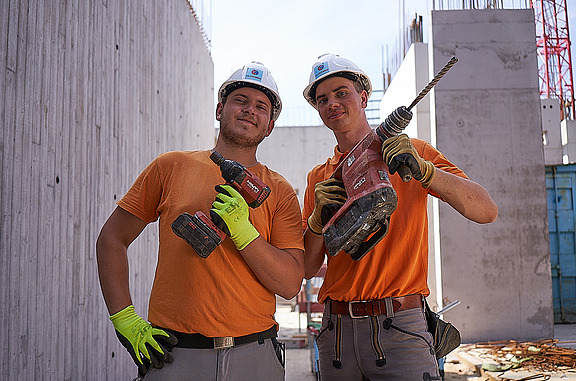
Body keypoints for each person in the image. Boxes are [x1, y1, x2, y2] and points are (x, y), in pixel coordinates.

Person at [96, 62, 305, 381]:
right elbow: (112, 239)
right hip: (175, 357)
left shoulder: (279, 191)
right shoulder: (171, 167)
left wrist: (244, 233)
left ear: (269, 126)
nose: (250, 110)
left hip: (255, 357)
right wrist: (125, 320)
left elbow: (290, 284)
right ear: (220, 109)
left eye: (261, 106)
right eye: (240, 100)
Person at [301, 54, 498, 380]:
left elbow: (485, 210)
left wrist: (425, 172)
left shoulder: (410, 153)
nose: (332, 103)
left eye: (341, 93)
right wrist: (316, 223)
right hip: (336, 335)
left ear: (363, 97)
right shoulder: (320, 180)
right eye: (322, 100)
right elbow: (307, 268)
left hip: (400, 328)